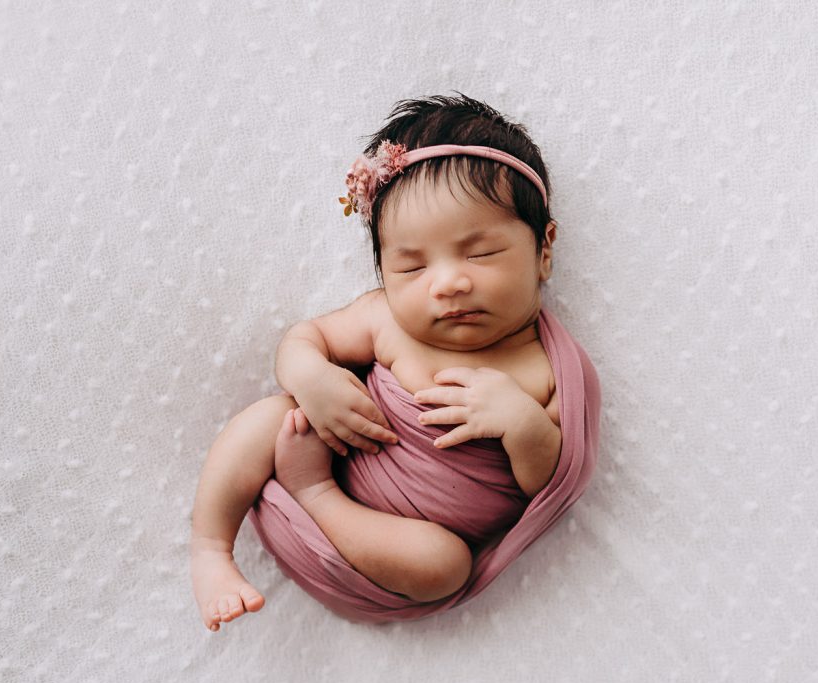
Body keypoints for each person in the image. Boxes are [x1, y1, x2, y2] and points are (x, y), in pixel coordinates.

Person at [190, 93, 569, 632]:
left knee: (445, 565)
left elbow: (547, 483)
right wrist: (311, 376)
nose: (448, 283)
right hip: (341, 455)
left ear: (543, 250)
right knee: (272, 417)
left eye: (481, 254)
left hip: (397, 554)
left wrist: (522, 422)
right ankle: (210, 549)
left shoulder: (546, 369)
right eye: (412, 267)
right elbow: (303, 339)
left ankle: (314, 494)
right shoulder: (385, 320)